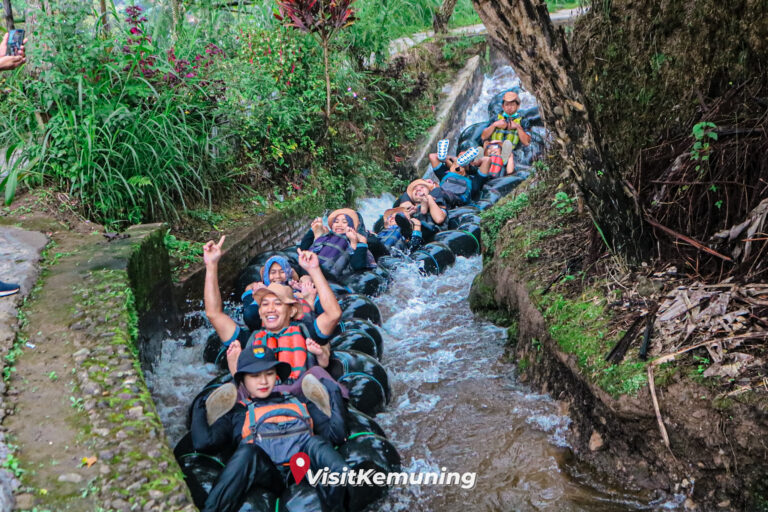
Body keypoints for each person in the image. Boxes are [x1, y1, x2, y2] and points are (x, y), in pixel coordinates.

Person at [191, 346, 347, 512]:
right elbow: (203, 443)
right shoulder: (237, 412)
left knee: (317, 444)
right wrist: (199, 407)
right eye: (255, 376)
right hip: (267, 474)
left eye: (269, 373)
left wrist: (334, 394)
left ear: (277, 375)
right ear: (243, 380)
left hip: (301, 470)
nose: (263, 381)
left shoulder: (301, 401)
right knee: (247, 451)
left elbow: (336, 436)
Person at [299, 209, 375, 280]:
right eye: (336, 222)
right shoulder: (326, 237)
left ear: (352, 226)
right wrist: (312, 231)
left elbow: (357, 266)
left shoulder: (353, 241)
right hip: (308, 269)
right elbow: (302, 250)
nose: (339, 225)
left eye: (344, 222)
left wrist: (355, 243)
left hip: (329, 277)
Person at [480, 91, 531, 169]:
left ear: (518, 106)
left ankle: (504, 163)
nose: (509, 107)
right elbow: (483, 137)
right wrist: (494, 125)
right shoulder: (496, 118)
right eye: (507, 105)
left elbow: (526, 142)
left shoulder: (523, 121)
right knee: (483, 148)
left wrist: (518, 127)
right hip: (494, 149)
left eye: (512, 105)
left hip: (512, 152)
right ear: (503, 106)